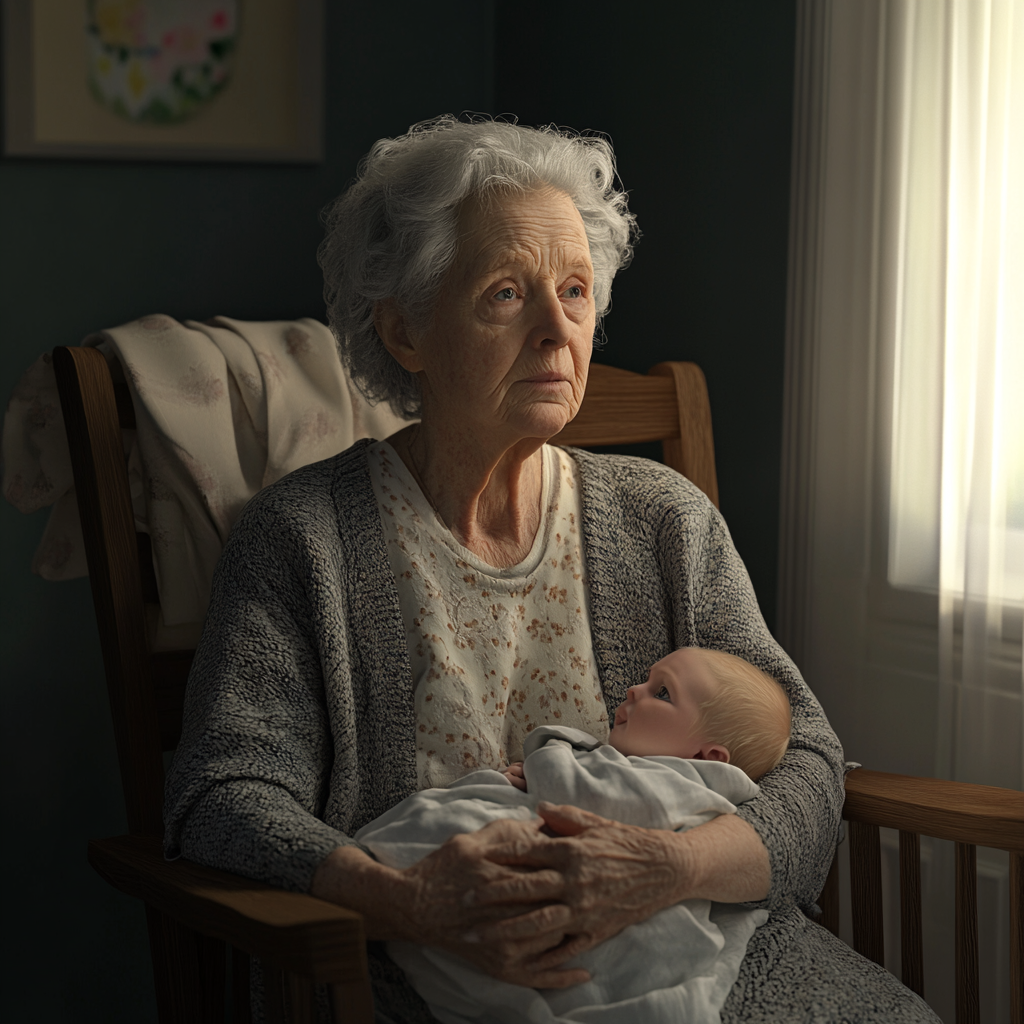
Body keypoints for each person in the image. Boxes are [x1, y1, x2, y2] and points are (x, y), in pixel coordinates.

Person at [164, 115, 939, 1023]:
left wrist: (668, 867)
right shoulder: (302, 539)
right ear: (406, 330)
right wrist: (409, 902)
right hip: (424, 974)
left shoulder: (662, 520)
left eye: (574, 291)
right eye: (505, 293)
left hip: (694, 951)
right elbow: (222, 795)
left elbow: (804, 752)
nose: (556, 330)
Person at [351, 647, 791, 1024]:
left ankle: (383, 862)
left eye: (662, 693)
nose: (634, 690)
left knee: (451, 828)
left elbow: (579, 793)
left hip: (590, 918)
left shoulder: (679, 785)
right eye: (647, 680)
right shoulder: (657, 775)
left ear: (706, 755)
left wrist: (551, 751)